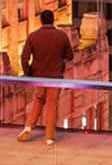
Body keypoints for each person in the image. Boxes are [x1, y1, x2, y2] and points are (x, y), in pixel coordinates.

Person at [18, 10, 75, 146]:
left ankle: (28, 126)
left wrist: (28, 73)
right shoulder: (62, 36)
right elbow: (70, 56)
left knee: (38, 100)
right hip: (55, 76)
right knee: (51, 105)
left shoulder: (33, 36)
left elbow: (24, 57)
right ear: (53, 20)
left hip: (38, 75)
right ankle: (50, 136)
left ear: (41, 21)